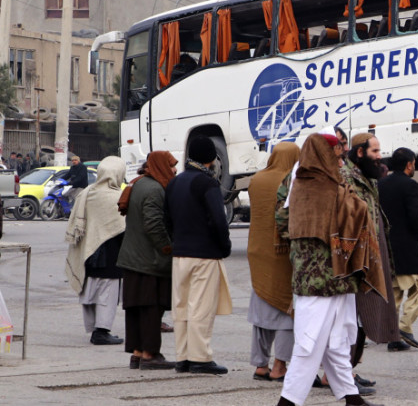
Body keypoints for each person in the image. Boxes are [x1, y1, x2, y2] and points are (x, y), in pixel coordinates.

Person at [277, 133, 385, 406]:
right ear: (324, 155)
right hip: (322, 280)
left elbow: (282, 220)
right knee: (309, 344)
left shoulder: (299, 184)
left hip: (324, 278)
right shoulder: (325, 187)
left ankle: (351, 398)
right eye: (335, 154)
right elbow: (357, 212)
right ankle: (288, 401)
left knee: (336, 343)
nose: (340, 158)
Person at [166, 137, 232, 375]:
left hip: (180, 253)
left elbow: (167, 220)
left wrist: (178, 241)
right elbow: (218, 220)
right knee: (201, 307)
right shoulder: (207, 184)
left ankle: (182, 357)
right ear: (211, 158)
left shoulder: (175, 182)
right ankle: (200, 358)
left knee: (181, 307)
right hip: (204, 254)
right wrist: (224, 247)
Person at [343, 133, 407, 362]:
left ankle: (347, 372)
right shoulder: (345, 178)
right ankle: (339, 375)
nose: (380, 157)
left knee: (365, 319)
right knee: (353, 320)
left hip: (373, 256)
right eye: (375, 152)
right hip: (355, 261)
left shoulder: (368, 178)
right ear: (360, 152)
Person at [117, 152, 178, 370]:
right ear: (161, 166)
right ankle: (150, 354)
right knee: (152, 308)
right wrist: (167, 248)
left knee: (137, 309)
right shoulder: (154, 189)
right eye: (171, 166)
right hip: (148, 260)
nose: (174, 171)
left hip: (133, 258)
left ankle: (137, 353)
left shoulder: (139, 183)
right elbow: (153, 224)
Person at [247, 142, 300, 382]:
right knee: (286, 309)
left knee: (261, 310)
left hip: (257, 252)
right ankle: (279, 366)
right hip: (283, 255)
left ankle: (260, 365)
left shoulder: (257, 179)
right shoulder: (291, 180)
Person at [65, 156, 127, 347]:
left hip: (88, 251)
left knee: (90, 291)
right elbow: (123, 228)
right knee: (107, 294)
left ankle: (94, 329)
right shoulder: (116, 197)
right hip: (110, 254)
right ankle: (101, 332)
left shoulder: (86, 193)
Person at [378, 147, 418, 350]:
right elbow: (415, 216)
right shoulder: (409, 185)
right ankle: (404, 327)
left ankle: (393, 337)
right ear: (409, 164)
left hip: (387, 245)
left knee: (395, 290)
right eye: (414, 163)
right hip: (408, 246)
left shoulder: (381, 184)